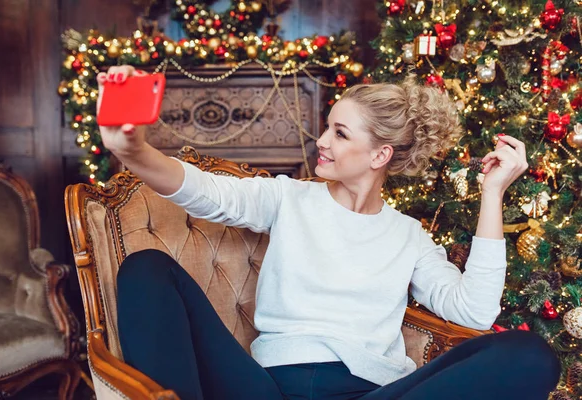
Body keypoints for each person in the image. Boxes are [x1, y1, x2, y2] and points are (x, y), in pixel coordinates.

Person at [98, 66, 561, 400]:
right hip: (269, 388)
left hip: (374, 392)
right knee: (147, 268)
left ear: (379, 156)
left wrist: (493, 193)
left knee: (528, 355)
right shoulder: (290, 198)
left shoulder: (408, 235)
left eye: (340, 133)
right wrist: (134, 150)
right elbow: (205, 191)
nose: (322, 140)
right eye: (327, 128)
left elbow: (474, 312)